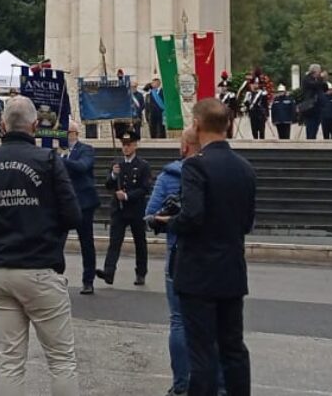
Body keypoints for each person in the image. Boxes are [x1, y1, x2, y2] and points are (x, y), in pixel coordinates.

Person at [0, 96, 82, 396]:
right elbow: (73, 215)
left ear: (2, 126)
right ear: (35, 125)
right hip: (39, 265)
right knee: (61, 360)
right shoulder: (48, 160)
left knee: (10, 361)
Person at [157, 99, 256, 396]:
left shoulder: (195, 166)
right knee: (233, 348)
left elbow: (193, 216)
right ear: (227, 125)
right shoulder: (244, 168)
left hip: (198, 273)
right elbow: (247, 222)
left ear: (197, 126)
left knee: (201, 353)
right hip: (231, 270)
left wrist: (167, 222)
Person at [147, 127, 202, 395]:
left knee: (179, 320)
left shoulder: (168, 176)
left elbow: (150, 217)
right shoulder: (211, 174)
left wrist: (167, 217)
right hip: (207, 257)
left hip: (178, 254)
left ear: (183, 147)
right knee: (210, 322)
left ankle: (181, 384)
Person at [97, 131, 152, 288]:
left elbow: (145, 188)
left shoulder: (143, 165)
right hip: (119, 210)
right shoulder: (117, 164)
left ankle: (141, 272)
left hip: (135, 209)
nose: (126, 148)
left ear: (135, 145)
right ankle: (109, 271)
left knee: (140, 242)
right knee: (115, 241)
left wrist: (127, 196)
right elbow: (108, 185)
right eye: (123, 145)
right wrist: (114, 176)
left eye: (129, 145)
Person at [60, 124, 100, 295]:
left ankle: (88, 280)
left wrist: (62, 160)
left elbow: (83, 166)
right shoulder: (59, 151)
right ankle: (57, 276)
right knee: (57, 242)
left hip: (83, 203)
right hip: (63, 203)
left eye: (66, 133)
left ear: (74, 134)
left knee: (86, 243)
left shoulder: (86, 150)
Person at [299, 64, 329, 140]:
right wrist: (321, 78)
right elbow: (314, 85)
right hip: (310, 108)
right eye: (319, 71)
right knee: (310, 129)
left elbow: (325, 88)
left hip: (318, 107)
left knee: (315, 128)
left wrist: (324, 80)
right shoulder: (307, 79)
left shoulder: (318, 80)